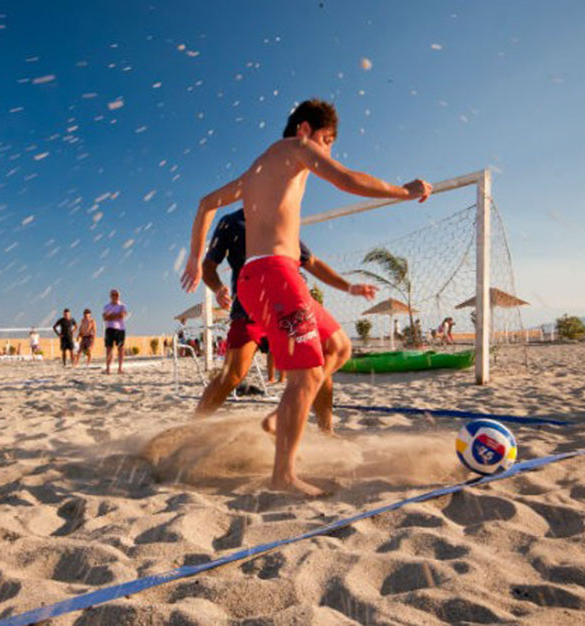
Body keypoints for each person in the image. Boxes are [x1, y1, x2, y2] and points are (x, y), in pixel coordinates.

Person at [181, 98, 430, 495]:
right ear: (304, 130)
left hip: (270, 277)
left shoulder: (257, 170)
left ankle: (281, 419)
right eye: (326, 140)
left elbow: (205, 203)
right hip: (272, 275)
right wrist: (403, 190)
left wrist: (194, 258)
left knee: (339, 346)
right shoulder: (296, 149)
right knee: (305, 374)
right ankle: (283, 476)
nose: (327, 150)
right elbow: (346, 179)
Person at [194, 207, 377, 426]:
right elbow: (208, 267)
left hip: (291, 305)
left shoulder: (281, 219)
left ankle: (326, 430)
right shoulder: (231, 222)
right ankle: (191, 427)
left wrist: (349, 287)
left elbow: (312, 262)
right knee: (232, 374)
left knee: (317, 361)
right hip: (250, 307)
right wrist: (218, 288)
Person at [102, 289, 128, 374]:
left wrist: (111, 316)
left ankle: (120, 368)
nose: (115, 296)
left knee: (121, 349)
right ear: (110, 296)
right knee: (109, 349)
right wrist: (116, 315)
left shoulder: (122, 305)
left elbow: (122, 315)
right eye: (113, 295)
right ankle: (108, 368)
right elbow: (105, 318)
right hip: (109, 328)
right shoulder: (106, 306)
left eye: (116, 295)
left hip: (120, 329)